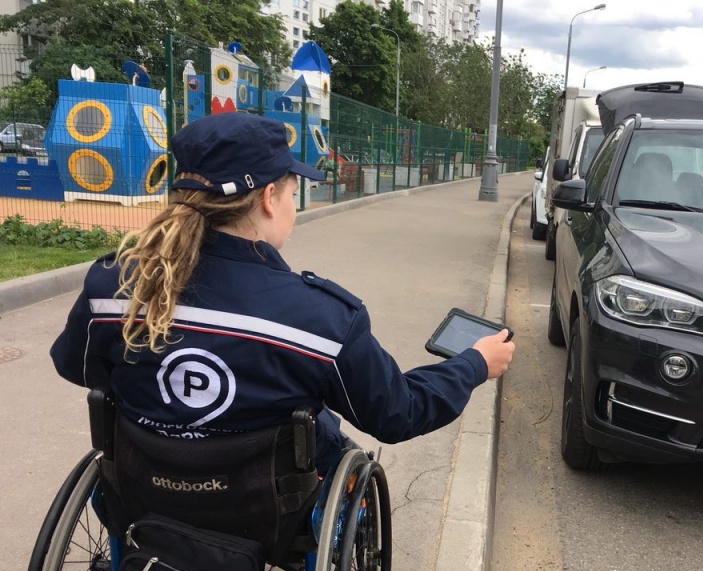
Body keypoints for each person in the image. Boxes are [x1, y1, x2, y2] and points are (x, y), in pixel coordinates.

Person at [50, 111, 515, 472]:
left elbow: (75, 365)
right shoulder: (320, 320)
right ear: (269, 197)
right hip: (264, 513)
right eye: (293, 193)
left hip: (142, 488)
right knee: (326, 431)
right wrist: (473, 364)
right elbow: (398, 413)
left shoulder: (114, 286)